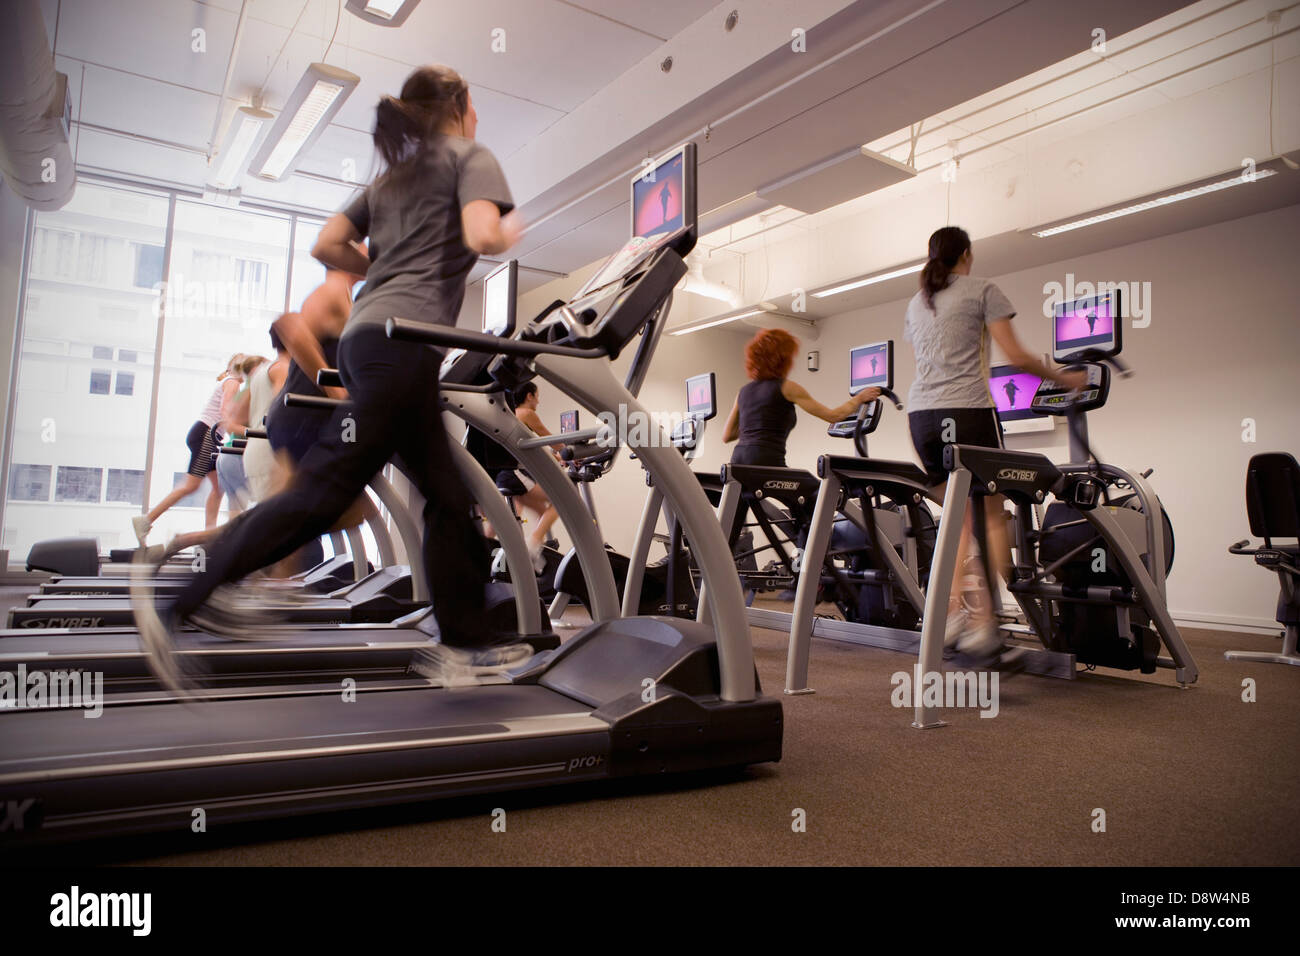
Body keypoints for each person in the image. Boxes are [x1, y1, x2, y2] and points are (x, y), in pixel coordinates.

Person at [139, 64, 527, 683]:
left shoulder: (392, 178)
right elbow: (483, 233)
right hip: (403, 348)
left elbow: (326, 244)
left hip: (369, 341)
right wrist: (508, 227)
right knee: (328, 492)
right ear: (460, 104)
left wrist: (381, 262)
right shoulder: (469, 155)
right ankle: (188, 599)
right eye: (474, 103)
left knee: (447, 497)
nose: (477, 115)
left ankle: (463, 645)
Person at [903, 225, 1086, 666]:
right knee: (990, 515)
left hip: (921, 418)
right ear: (966, 254)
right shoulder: (982, 288)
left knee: (957, 524)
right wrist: (1068, 379)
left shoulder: (917, 301)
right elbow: (1016, 357)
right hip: (966, 412)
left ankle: (949, 618)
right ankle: (985, 624)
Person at [721, 328, 879, 547]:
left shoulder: (743, 391)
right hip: (768, 464)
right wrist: (860, 398)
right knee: (817, 493)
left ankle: (801, 551)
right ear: (784, 358)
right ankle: (812, 554)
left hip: (738, 462)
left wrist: (756, 425)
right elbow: (834, 415)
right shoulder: (787, 387)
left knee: (730, 530)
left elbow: (727, 435)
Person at [132, 353, 245, 545]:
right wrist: (239, 430)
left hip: (207, 434)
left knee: (219, 487)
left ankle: (209, 537)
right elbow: (225, 410)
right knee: (191, 485)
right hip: (207, 435)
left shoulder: (230, 382)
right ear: (238, 369)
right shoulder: (232, 382)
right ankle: (145, 521)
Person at [502, 382, 561, 568]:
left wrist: (557, 456)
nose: (538, 401)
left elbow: (531, 447)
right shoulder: (526, 413)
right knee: (560, 500)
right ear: (529, 396)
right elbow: (551, 439)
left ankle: (535, 562)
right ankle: (532, 548)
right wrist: (569, 454)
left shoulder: (512, 414)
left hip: (506, 474)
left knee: (542, 512)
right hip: (514, 474)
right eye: (537, 395)